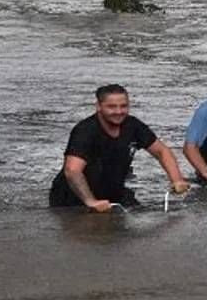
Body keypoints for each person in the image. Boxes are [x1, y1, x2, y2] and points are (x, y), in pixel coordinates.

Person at [49, 84, 190, 211]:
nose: (119, 111)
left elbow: (161, 151)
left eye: (123, 106)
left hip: (114, 195)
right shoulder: (85, 131)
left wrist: (176, 179)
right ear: (98, 106)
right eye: (112, 107)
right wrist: (90, 201)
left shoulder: (133, 125)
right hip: (73, 200)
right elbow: (72, 171)